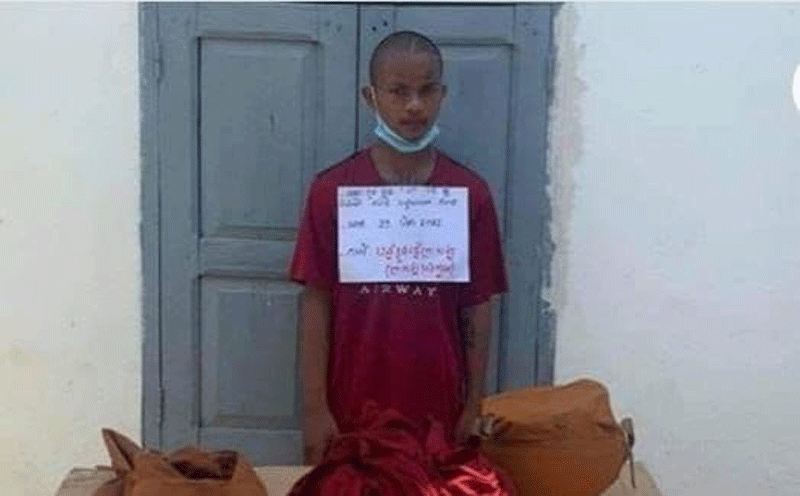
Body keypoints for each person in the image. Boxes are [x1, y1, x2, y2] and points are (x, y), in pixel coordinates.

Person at [290, 30, 508, 466]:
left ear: (442, 94)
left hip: (439, 412)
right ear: (370, 97)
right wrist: (315, 409)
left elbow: (478, 307)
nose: (414, 105)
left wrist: (473, 405)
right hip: (352, 409)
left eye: (427, 90)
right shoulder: (331, 191)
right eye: (398, 91)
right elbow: (316, 301)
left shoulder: (470, 194)